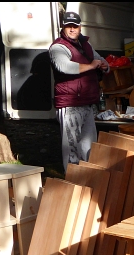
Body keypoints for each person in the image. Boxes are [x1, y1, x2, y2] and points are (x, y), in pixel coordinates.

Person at [49, 11, 110, 172]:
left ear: (80, 27)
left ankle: (87, 179)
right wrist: (91, 66)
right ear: (63, 27)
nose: (72, 29)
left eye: (75, 26)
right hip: (70, 104)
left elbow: (99, 59)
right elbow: (64, 67)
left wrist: (104, 65)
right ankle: (72, 181)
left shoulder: (85, 44)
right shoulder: (58, 47)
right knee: (71, 149)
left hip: (88, 103)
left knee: (89, 147)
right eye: (68, 26)